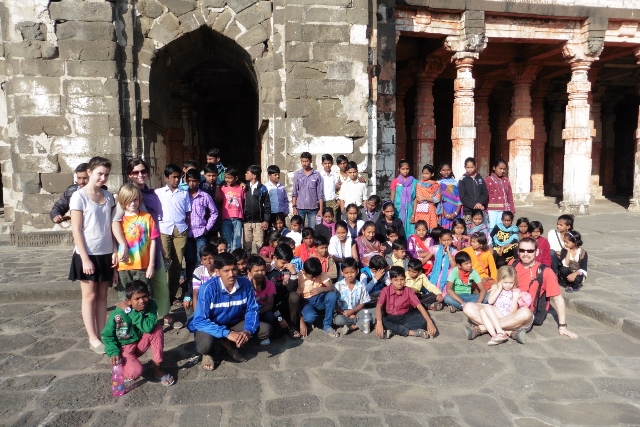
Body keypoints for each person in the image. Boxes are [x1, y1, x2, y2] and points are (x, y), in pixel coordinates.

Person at [463, 238, 578, 344]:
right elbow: (502, 283)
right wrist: (495, 287)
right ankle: (509, 332)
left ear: (536, 252)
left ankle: (482, 328)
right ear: (518, 251)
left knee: (525, 312)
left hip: (521, 315)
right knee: (468, 307)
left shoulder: (545, 272)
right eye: (522, 250)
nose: (525, 253)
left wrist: (562, 326)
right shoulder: (512, 264)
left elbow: (558, 299)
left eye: (530, 251)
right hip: (501, 309)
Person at [69, 156, 123, 354]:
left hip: (106, 252)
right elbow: (76, 229)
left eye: (106, 174)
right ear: (90, 172)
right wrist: (84, 258)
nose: (103, 177)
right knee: (89, 296)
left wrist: (115, 251)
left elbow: (111, 225)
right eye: (100, 173)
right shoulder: (79, 196)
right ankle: (93, 337)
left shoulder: (108, 196)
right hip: (88, 253)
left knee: (102, 296)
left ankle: (103, 333)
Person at [187, 252, 272, 370]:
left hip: (234, 322)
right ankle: (210, 352)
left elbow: (252, 310)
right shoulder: (208, 288)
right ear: (217, 272)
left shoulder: (245, 284)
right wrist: (227, 333)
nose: (231, 274)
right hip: (212, 324)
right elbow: (200, 321)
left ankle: (226, 343)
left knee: (265, 330)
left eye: (234, 269)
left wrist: (247, 331)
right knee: (205, 345)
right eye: (226, 271)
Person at [118, 159, 171, 324]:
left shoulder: (151, 194)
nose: (140, 175)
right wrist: (120, 248)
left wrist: (161, 247)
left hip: (152, 243)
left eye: (143, 171)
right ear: (129, 175)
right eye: (135, 172)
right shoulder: (125, 195)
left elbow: (154, 220)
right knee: (139, 287)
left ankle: (163, 313)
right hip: (133, 252)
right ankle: (136, 318)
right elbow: (115, 222)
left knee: (160, 281)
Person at [102, 280, 174, 386]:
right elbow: (107, 335)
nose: (142, 301)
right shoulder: (118, 313)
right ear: (128, 301)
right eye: (137, 298)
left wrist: (131, 312)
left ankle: (157, 370)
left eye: (145, 296)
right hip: (124, 347)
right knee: (135, 372)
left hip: (139, 342)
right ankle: (122, 366)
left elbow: (148, 328)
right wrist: (113, 352)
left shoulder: (151, 305)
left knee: (157, 329)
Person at [114, 184, 158, 301]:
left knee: (144, 295)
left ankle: (145, 319)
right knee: (125, 296)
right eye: (129, 200)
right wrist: (114, 269)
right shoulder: (118, 221)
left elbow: (153, 241)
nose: (133, 203)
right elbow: (115, 244)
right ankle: (129, 318)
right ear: (122, 201)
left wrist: (151, 265)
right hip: (123, 265)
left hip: (142, 266)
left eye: (135, 200)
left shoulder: (147, 217)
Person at [155, 164, 191, 306]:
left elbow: (188, 213)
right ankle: (161, 295)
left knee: (177, 263)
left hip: (180, 230)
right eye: (174, 177)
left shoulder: (184, 193)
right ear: (166, 178)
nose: (177, 180)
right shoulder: (158, 193)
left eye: (179, 177)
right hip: (164, 229)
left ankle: (171, 294)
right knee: (165, 262)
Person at [375, 266, 437, 339]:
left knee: (423, 322)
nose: (399, 283)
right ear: (390, 280)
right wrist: (379, 322)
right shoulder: (385, 290)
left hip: (405, 317)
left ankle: (394, 330)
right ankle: (410, 332)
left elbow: (419, 306)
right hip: (390, 317)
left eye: (402, 279)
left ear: (405, 279)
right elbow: (379, 306)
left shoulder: (409, 290)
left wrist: (429, 322)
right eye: (396, 280)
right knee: (380, 319)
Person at [184, 169, 218, 293]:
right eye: (189, 181)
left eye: (194, 181)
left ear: (199, 181)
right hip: (187, 234)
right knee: (189, 260)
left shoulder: (204, 196)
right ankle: (190, 287)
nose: (192, 183)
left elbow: (214, 212)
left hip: (200, 233)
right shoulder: (183, 195)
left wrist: (207, 228)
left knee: (202, 260)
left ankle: (205, 286)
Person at [477, 266, 521, 346]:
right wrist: (499, 288)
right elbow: (490, 301)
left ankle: (500, 331)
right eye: (505, 282)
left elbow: (513, 311)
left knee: (486, 307)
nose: (508, 285)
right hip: (495, 312)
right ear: (500, 280)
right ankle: (494, 335)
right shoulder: (495, 287)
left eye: (511, 283)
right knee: (482, 311)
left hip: (506, 315)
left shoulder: (514, 291)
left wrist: (515, 298)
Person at [266, 243, 303, 339]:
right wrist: (279, 317)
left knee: (294, 296)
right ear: (274, 258)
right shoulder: (267, 271)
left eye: (288, 262)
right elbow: (269, 299)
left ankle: (292, 326)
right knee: (277, 334)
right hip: (272, 305)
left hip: (286, 303)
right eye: (283, 263)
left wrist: (294, 273)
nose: (285, 266)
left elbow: (290, 290)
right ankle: (281, 322)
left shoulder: (290, 269)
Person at [298, 257, 340, 338]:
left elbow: (331, 288)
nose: (314, 278)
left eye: (316, 276)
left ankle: (327, 325)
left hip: (318, 298)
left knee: (332, 296)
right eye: (312, 276)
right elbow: (296, 299)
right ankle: (310, 319)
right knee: (310, 317)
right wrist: (301, 320)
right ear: (304, 272)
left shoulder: (319, 273)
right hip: (305, 301)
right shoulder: (299, 276)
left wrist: (322, 289)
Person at [333, 257, 372, 335]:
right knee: (338, 320)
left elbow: (362, 303)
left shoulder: (361, 285)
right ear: (342, 273)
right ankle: (358, 323)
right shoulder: (338, 286)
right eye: (346, 273)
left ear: (357, 271)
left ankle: (352, 327)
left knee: (370, 315)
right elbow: (334, 305)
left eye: (352, 272)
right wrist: (344, 313)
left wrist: (352, 312)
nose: (349, 275)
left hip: (357, 311)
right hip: (342, 313)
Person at [247, 255, 278, 343]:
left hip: (262, 311)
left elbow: (269, 305)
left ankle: (265, 335)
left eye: (263, 270)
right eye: (256, 271)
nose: (260, 273)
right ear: (249, 272)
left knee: (270, 315)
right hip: (249, 311)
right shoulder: (246, 284)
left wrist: (255, 313)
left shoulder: (270, 284)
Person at [183, 243, 217, 317]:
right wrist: (197, 315)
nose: (208, 262)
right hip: (203, 301)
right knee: (189, 303)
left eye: (211, 258)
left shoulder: (220, 271)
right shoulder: (198, 271)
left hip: (218, 302)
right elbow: (196, 294)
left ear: (216, 258)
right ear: (201, 261)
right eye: (205, 259)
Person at [243, 165, 271, 254]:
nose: (245, 174)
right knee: (247, 245)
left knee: (260, 245)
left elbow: (267, 205)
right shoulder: (244, 187)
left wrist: (266, 220)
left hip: (259, 222)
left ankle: (260, 264)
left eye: (247, 173)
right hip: (246, 222)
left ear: (254, 175)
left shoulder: (263, 188)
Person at [292, 151, 324, 228]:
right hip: (300, 207)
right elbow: (294, 192)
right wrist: (294, 207)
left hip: (313, 207)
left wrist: (321, 209)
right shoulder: (298, 175)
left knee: (312, 229)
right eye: (302, 161)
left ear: (310, 161)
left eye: (306, 161)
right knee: (299, 229)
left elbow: (320, 193)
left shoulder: (316, 175)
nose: (304, 163)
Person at [219, 167, 245, 252]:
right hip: (226, 218)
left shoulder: (241, 188)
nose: (227, 180)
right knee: (227, 243)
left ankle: (236, 262)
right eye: (226, 177)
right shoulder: (222, 189)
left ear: (236, 178)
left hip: (238, 218)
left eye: (230, 178)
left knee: (237, 243)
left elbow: (245, 201)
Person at [485, 159, 515, 231]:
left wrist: (512, 210)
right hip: (491, 211)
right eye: (500, 168)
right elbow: (485, 197)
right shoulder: (488, 180)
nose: (502, 171)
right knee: (492, 229)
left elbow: (510, 196)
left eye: (504, 169)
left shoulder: (506, 180)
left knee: (502, 229)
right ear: (494, 168)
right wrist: (486, 211)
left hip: (504, 210)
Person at [390, 159, 416, 237]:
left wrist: (414, 214)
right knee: (398, 229)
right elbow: (392, 198)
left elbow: (415, 199)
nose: (405, 171)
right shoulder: (395, 181)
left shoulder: (414, 181)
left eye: (407, 169)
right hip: (398, 210)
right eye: (403, 169)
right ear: (399, 169)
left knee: (411, 230)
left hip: (410, 210)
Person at [459, 157, 488, 224]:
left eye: (472, 167)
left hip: (479, 210)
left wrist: (480, 203)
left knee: (479, 230)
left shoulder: (480, 178)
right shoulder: (462, 179)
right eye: (467, 167)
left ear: (475, 166)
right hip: (468, 211)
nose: (470, 169)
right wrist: (473, 205)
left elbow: (485, 193)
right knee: (468, 230)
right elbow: (462, 196)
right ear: (465, 167)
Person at [412, 164, 441, 231]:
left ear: (432, 174)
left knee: (431, 228)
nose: (424, 175)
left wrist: (424, 198)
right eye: (423, 173)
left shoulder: (436, 185)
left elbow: (437, 199)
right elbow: (418, 198)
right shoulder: (419, 184)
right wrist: (430, 198)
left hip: (431, 210)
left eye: (427, 173)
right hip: (420, 210)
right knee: (421, 228)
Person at [200, 162, 223, 239]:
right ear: (204, 175)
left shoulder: (221, 186)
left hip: (215, 220)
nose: (211, 178)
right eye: (209, 175)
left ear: (217, 175)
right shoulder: (200, 186)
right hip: (203, 219)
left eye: (214, 175)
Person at [437, 161, 462, 229]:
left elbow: (459, 198)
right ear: (440, 171)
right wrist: (445, 213)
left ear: (451, 170)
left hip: (455, 209)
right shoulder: (438, 184)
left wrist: (455, 213)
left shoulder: (456, 183)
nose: (446, 172)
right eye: (443, 170)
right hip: (444, 209)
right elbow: (438, 200)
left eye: (448, 170)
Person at [320, 154, 340, 219]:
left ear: (332, 163)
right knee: (323, 222)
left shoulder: (335, 175)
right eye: (325, 163)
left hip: (333, 202)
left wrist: (338, 200)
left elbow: (337, 189)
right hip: (322, 202)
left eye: (329, 163)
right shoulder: (319, 175)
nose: (327, 165)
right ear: (322, 164)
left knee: (333, 221)